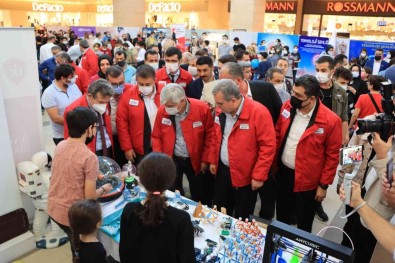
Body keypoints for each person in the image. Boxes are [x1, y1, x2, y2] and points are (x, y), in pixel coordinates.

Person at [275, 75, 342, 232]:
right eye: (293, 92)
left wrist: (323, 185)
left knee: (304, 222)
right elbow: (278, 134)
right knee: (282, 216)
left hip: (308, 181)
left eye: (298, 96)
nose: (293, 97)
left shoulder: (330, 121)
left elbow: (332, 157)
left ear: (312, 98)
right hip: (283, 174)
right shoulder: (287, 107)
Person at [48, 107, 113, 259]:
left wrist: (93, 174)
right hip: (72, 215)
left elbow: (70, 171)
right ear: (89, 128)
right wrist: (103, 188)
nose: (95, 131)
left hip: (53, 209)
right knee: (82, 252)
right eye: (96, 127)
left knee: (76, 247)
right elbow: (90, 197)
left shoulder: (61, 145)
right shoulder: (89, 156)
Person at [208, 79, 276, 219]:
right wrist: (213, 160)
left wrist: (259, 176)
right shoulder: (221, 112)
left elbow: (268, 147)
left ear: (233, 100)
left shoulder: (259, 112)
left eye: (220, 103)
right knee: (221, 211)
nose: (217, 107)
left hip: (246, 176)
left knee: (242, 216)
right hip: (223, 171)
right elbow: (216, 137)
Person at [119, 152, 195, 263]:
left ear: (142, 180)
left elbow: (124, 254)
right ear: (171, 181)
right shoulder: (182, 219)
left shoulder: (129, 210)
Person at [152, 84, 213, 203]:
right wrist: (160, 159)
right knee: (172, 188)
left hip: (195, 159)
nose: (167, 109)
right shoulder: (163, 110)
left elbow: (210, 136)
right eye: (165, 105)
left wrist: (205, 159)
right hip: (172, 158)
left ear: (182, 100)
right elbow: (157, 136)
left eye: (171, 106)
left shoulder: (201, 108)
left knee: (199, 191)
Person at [117, 65, 160, 165]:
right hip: (139, 148)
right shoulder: (127, 96)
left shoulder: (164, 93)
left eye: (148, 84)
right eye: (141, 84)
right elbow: (122, 124)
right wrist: (127, 148)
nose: (144, 87)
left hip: (162, 146)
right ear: (136, 80)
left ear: (155, 80)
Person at [64, 79, 114, 157]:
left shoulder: (104, 100)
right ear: (90, 96)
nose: (105, 105)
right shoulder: (73, 110)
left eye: (107, 102)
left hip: (108, 145)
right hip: (89, 151)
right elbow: (71, 139)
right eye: (101, 102)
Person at [41, 64, 82, 145]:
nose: (74, 78)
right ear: (63, 78)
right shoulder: (49, 93)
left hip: (80, 132)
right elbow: (55, 118)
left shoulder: (73, 86)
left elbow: (81, 102)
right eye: (72, 76)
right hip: (62, 136)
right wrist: (78, 124)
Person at [315, 56, 349, 145]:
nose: (319, 73)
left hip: (333, 136)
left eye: (323, 70)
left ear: (332, 71)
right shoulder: (310, 89)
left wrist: (344, 137)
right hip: (314, 136)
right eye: (317, 70)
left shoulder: (341, 92)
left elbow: (344, 118)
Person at [105, 66, 133, 167]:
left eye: (121, 83)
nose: (118, 87)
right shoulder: (102, 94)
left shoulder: (131, 90)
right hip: (111, 138)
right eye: (113, 84)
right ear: (107, 82)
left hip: (129, 137)